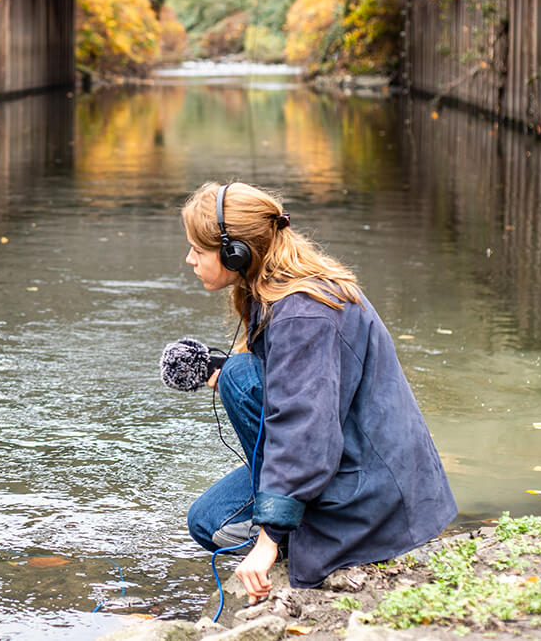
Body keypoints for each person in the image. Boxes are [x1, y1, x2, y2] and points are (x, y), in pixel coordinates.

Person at [180, 181, 457, 605]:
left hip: (370, 489)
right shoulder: (279, 285)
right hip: (359, 463)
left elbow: (305, 429)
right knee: (208, 520)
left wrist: (269, 538)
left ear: (236, 251)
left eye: (198, 250)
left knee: (238, 377)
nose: (190, 260)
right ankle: (295, 519)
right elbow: (297, 386)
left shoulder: (303, 311)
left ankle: (306, 531)